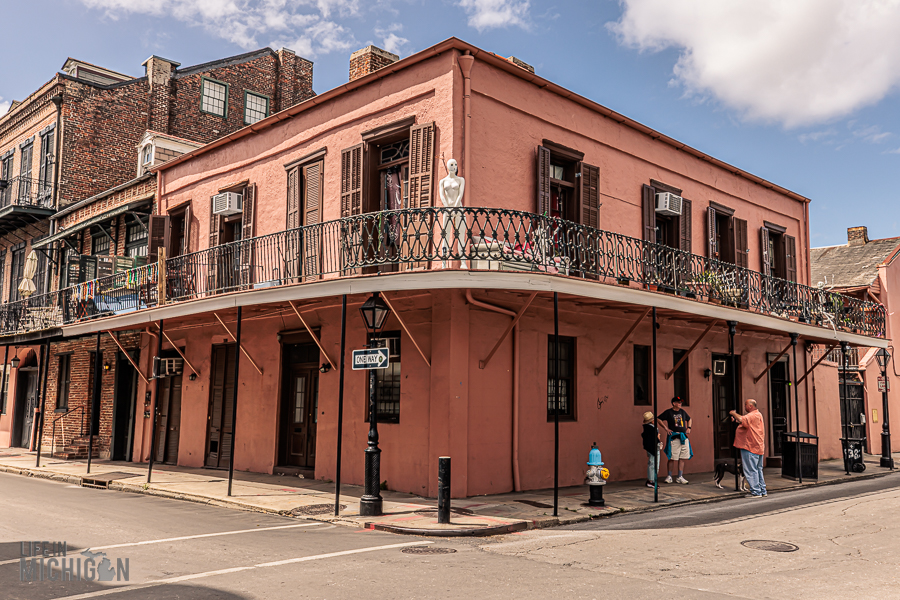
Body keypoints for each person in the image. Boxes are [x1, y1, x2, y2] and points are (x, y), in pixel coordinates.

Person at [730, 398, 767, 498]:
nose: (744, 406)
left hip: (750, 446)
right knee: (758, 469)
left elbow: (742, 419)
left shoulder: (752, 415)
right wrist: (737, 420)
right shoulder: (758, 415)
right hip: (758, 446)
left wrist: (733, 413)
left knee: (751, 470)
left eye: (745, 405)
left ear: (750, 406)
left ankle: (756, 491)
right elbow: (747, 423)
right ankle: (762, 490)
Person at [658, 396, 692, 484]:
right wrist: (666, 428)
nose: (680, 404)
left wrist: (689, 428)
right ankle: (669, 476)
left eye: (681, 402)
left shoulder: (682, 412)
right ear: (674, 403)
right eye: (678, 402)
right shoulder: (669, 412)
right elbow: (658, 418)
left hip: (683, 436)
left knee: (682, 457)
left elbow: (689, 419)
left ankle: (680, 476)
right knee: (672, 457)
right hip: (674, 437)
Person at [641, 411, 660, 488]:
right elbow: (654, 439)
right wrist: (658, 439)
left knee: (652, 463)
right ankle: (651, 480)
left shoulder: (647, 428)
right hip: (653, 448)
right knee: (654, 464)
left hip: (650, 448)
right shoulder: (652, 429)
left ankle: (651, 479)